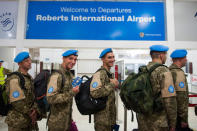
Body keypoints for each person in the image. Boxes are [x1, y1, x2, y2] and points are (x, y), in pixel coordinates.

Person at [137, 45, 177, 131]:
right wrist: (173, 123)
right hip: (158, 122)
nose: (166, 57)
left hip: (142, 120)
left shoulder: (144, 69)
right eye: (165, 54)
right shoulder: (164, 71)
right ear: (161, 56)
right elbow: (169, 100)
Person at [5, 51, 41, 131]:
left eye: (29, 60)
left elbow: (32, 97)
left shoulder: (29, 77)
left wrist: (34, 111)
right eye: (26, 61)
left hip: (29, 120)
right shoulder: (15, 78)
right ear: (19, 64)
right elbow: (16, 101)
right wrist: (30, 113)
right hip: (17, 121)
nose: (29, 62)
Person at [46, 49, 79, 131]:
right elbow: (50, 98)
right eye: (70, 58)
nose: (73, 62)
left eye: (75, 59)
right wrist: (72, 92)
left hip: (67, 121)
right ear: (63, 58)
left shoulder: (70, 75)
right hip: (57, 124)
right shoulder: (56, 76)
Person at [90, 48, 119, 131]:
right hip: (102, 120)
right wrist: (112, 85)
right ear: (103, 59)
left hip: (110, 118)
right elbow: (94, 93)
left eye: (113, 57)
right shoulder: (100, 73)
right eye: (109, 57)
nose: (112, 59)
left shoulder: (108, 74)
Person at [169, 49, 190, 130]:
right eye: (185, 58)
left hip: (171, 115)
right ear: (180, 59)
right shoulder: (178, 73)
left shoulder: (168, 71)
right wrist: (184, 119)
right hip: (178, 117)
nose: (186, 60)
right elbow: (181, 98)